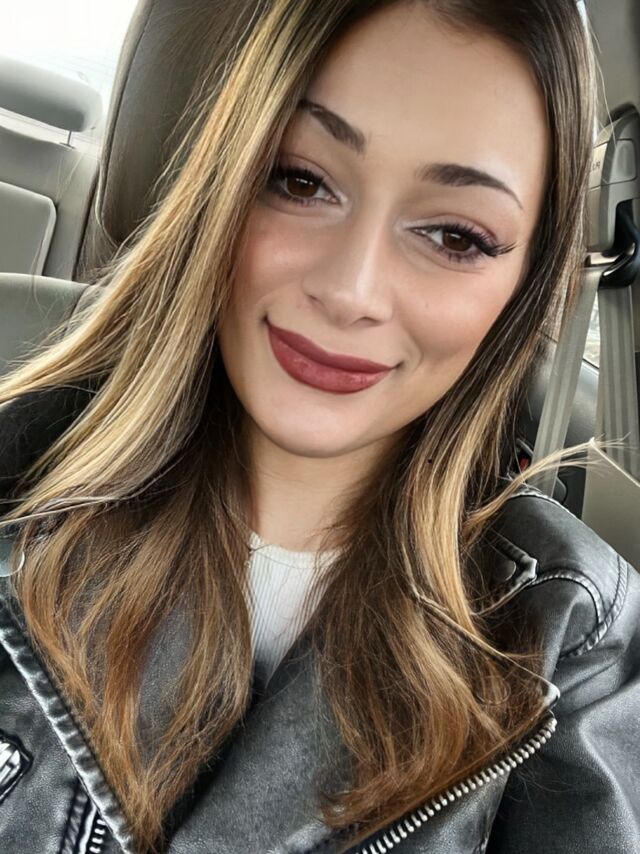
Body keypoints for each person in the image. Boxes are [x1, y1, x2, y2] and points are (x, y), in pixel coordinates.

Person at [0, 1, 638, 852]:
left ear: (523, 283)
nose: (350, 291)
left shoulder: (571, 644)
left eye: (455, 236)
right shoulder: (15, 485)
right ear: (226, 179)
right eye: (300, 180)